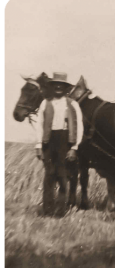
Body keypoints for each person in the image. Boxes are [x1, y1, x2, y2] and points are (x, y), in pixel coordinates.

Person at [35, 72, 83, 216]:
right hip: (48, 141)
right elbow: (40, 125)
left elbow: (79, 126)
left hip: (65, 141)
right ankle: (47, 209)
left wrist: (74, 148)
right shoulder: (45, 102)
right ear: (51, 86)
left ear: (65, 87)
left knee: (63, 176)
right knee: (49, 175)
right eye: (55, 85)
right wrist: (38, 145)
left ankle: (60, 210)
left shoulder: (73, 104)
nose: (58, 87)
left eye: (61, 85)